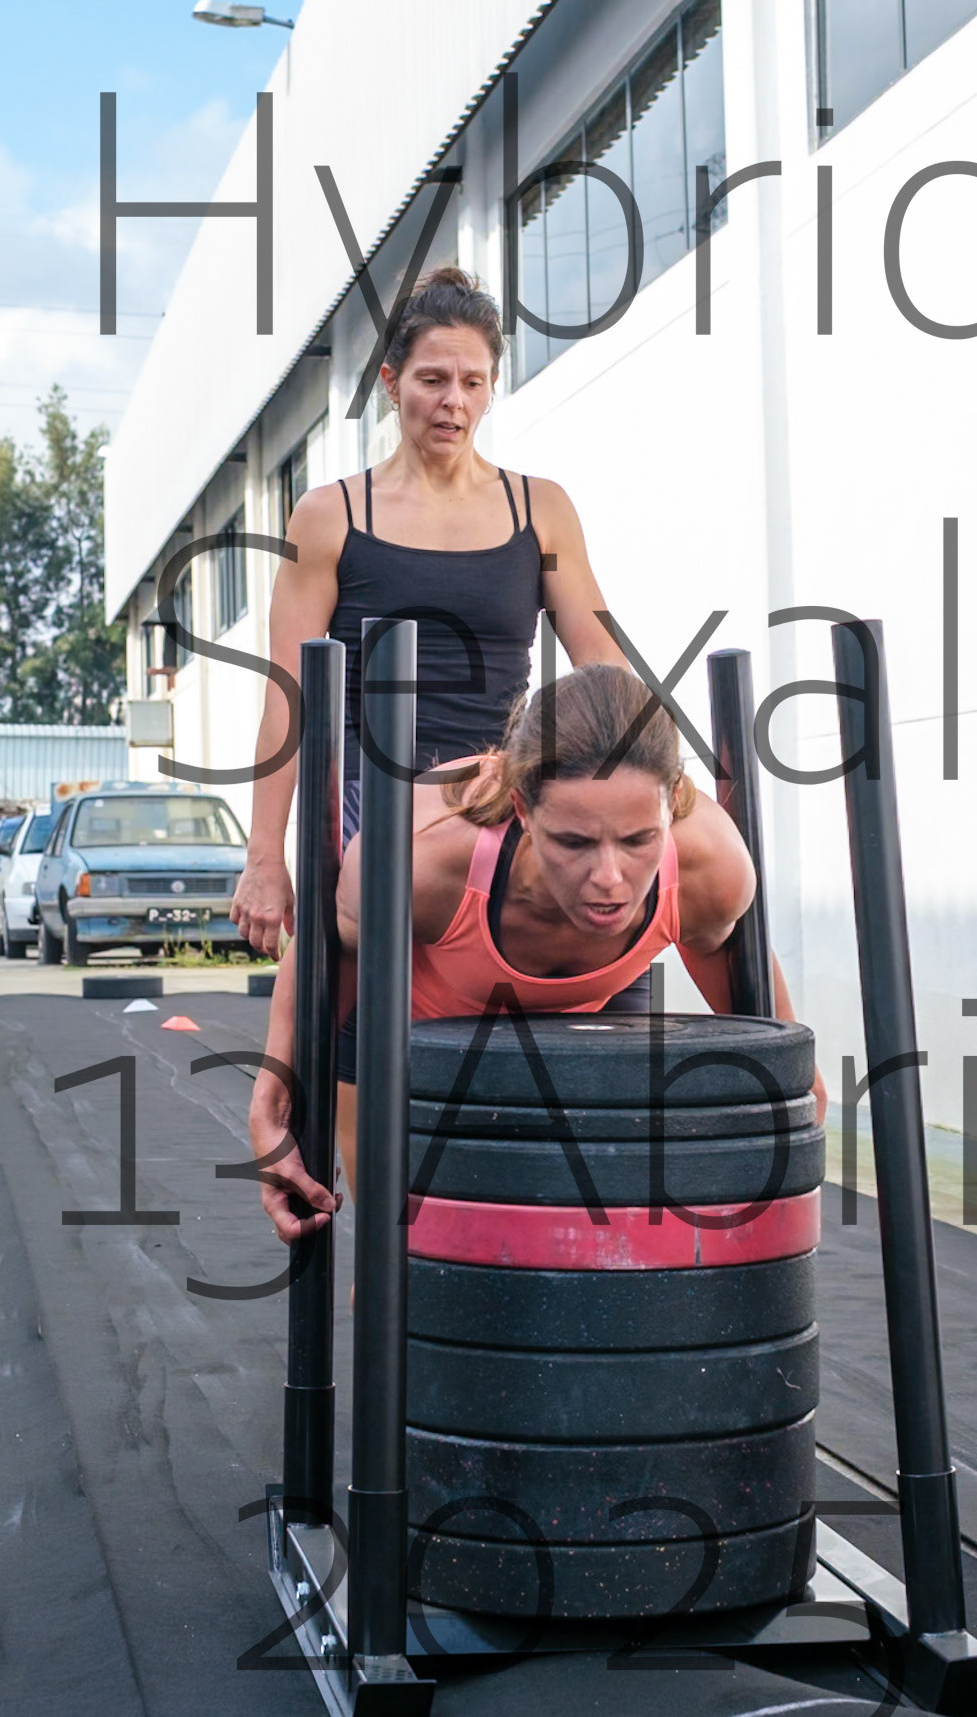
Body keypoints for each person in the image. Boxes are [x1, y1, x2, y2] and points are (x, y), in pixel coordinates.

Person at [230, 266, 628, 1185]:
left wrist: (658, 768)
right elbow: (287, 697)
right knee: (368, 1116)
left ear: (492, 387)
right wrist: (265, 856)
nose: (453, 402)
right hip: (372, 800)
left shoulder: (539, 509)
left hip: (494, 790)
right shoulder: (331, 516)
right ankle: (366, 1211)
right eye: (433, 380)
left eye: (473, 382)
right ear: (391, 383)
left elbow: (603, 665)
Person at [250, 664, 827, 1244]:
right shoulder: (421, 862)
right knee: (407, 1257)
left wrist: (796, 1089)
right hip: (413, 1023)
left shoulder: (711, 870)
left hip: (583, 1012)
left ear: (673, 801)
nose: (609, 878)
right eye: (573, 842)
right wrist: (277, 1099)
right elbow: (332, 954)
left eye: (638, 840)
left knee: (598, 1245)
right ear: (523, 809)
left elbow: (747, 999)